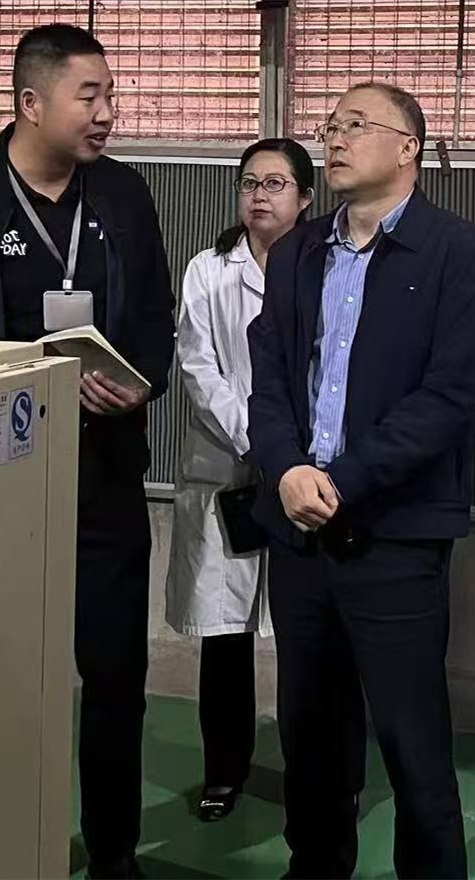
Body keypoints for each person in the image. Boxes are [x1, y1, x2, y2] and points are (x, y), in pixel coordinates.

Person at [0, 24, 174, 880]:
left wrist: (141, 384)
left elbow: (154, 316)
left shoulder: (123, 196)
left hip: (104, 478)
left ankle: (115, 853)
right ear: (30, 103)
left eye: (110, 95)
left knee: (115, 677)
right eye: (90, 96)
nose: (107, 113)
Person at [247, 82, 475, 880]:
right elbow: (268, 379)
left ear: (407, 148)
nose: (335, 138)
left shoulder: (457, 252)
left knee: (411, 743)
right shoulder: (297, 252)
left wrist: (341, 480)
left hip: (394, 535)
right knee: (310, 738)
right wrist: (287, 469)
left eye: (356, 125)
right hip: (299, 532)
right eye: (330, 125)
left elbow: (449, 397)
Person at [166, 138, 315, 822]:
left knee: (307, 635)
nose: (259, 195)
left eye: (275, 183)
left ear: (305, 199)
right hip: (226, 466)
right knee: (225, 638)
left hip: (305, 473)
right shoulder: (208, 269)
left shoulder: (324, 268)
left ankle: (315, 776)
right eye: (250, 182)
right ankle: (223, 772)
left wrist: (287, 452)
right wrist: (260, 440)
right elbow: (198, 366)